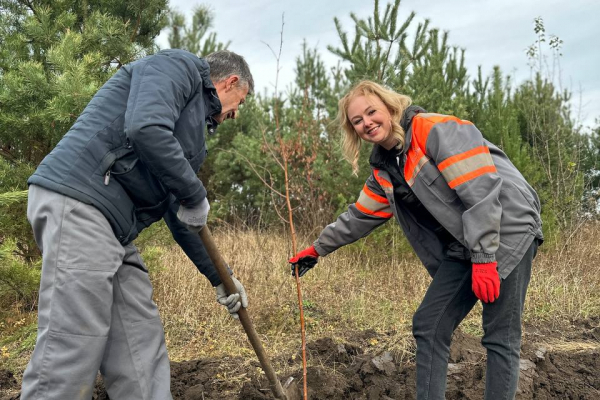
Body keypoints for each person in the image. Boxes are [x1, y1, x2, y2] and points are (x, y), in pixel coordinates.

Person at [22, 49, 254, 400]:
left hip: (113, 228)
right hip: (81, 200)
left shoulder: (191, 136)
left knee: (139, 343)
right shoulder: (180, 67)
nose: (236, 114)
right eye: (241, 101)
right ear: (231, 82)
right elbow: (145, 126)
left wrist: (221, 277)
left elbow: (182, 215)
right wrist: (195, 192)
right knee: (74, 343)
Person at [289, 80, 543, 400]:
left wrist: (484, 259)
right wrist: (317, 248)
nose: (367, 123)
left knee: (500, 335)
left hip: (508, 227)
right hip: (465, 240)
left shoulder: (435, 130)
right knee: (429, 324)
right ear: (352, 130)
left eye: (371, 112)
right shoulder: (386, 168)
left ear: (390, 108)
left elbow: (480, 193)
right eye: (357, 121)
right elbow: (360, 215)